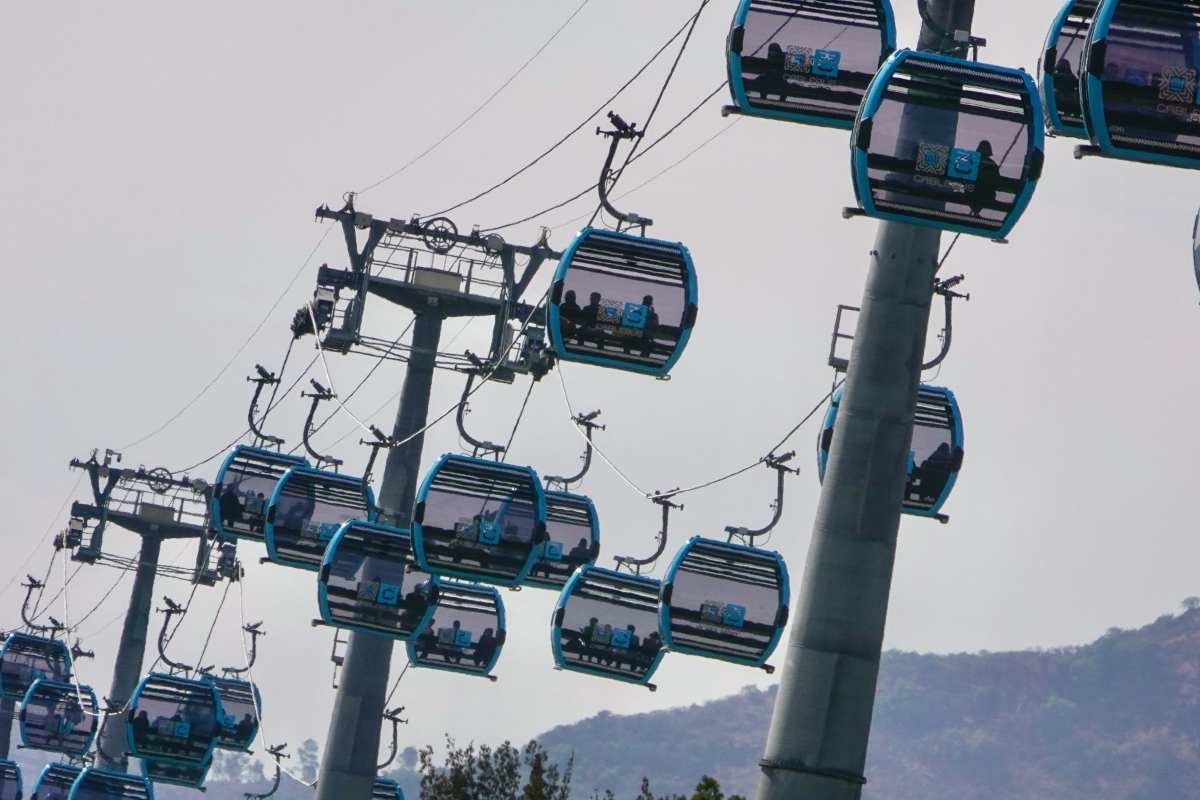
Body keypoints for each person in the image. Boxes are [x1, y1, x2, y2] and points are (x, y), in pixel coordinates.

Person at [968, 139, 1001, 217]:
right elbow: (997, 182)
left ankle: (975, 212)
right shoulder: (992, 164)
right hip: (985, 195)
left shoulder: (971, 161)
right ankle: (976, 212)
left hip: (972, 193)